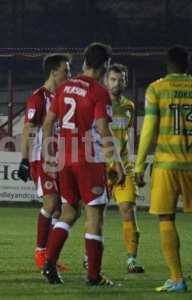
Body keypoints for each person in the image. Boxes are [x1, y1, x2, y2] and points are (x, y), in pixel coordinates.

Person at [42, 42, 124, 286]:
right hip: (89, 162)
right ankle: (94, 276)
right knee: (95, 217)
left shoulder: (65, 87)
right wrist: (116, 162)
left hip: (64, 160)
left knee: (68, 212)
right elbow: (101, 127)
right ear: (105, 65)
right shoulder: (98, 92)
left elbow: (48, 123)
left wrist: (48, 155)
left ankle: (49, 263)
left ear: (85, 61)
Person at [135, 46, 191, 293]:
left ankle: (177, 279)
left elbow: (148, 129)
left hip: (167, 165)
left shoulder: (156, 88)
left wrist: (138, 164)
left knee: (166, 218)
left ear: (167, 65)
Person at [18, 54, 71, 270]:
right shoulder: (38, 97)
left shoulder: (64, 96)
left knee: (60, 210)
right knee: (51, 204)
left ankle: (50, 257)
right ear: (53, 72)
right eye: (66, 70)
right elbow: (28, 129)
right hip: (43, 158)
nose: (69, 74)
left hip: (63, 158)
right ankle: (40, 253)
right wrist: (23, 159)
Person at [102, 63, 144, 273]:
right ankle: (88, 257)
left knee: (128, 211)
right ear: (106, 80)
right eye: (113, 79)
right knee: (95, 214)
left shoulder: (129, 106)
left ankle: (131, 260)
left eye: (121, 80)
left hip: (125, 167)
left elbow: (126, 137)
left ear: (125, 82)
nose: (117, 83)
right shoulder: (98, 104)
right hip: (100, 167)